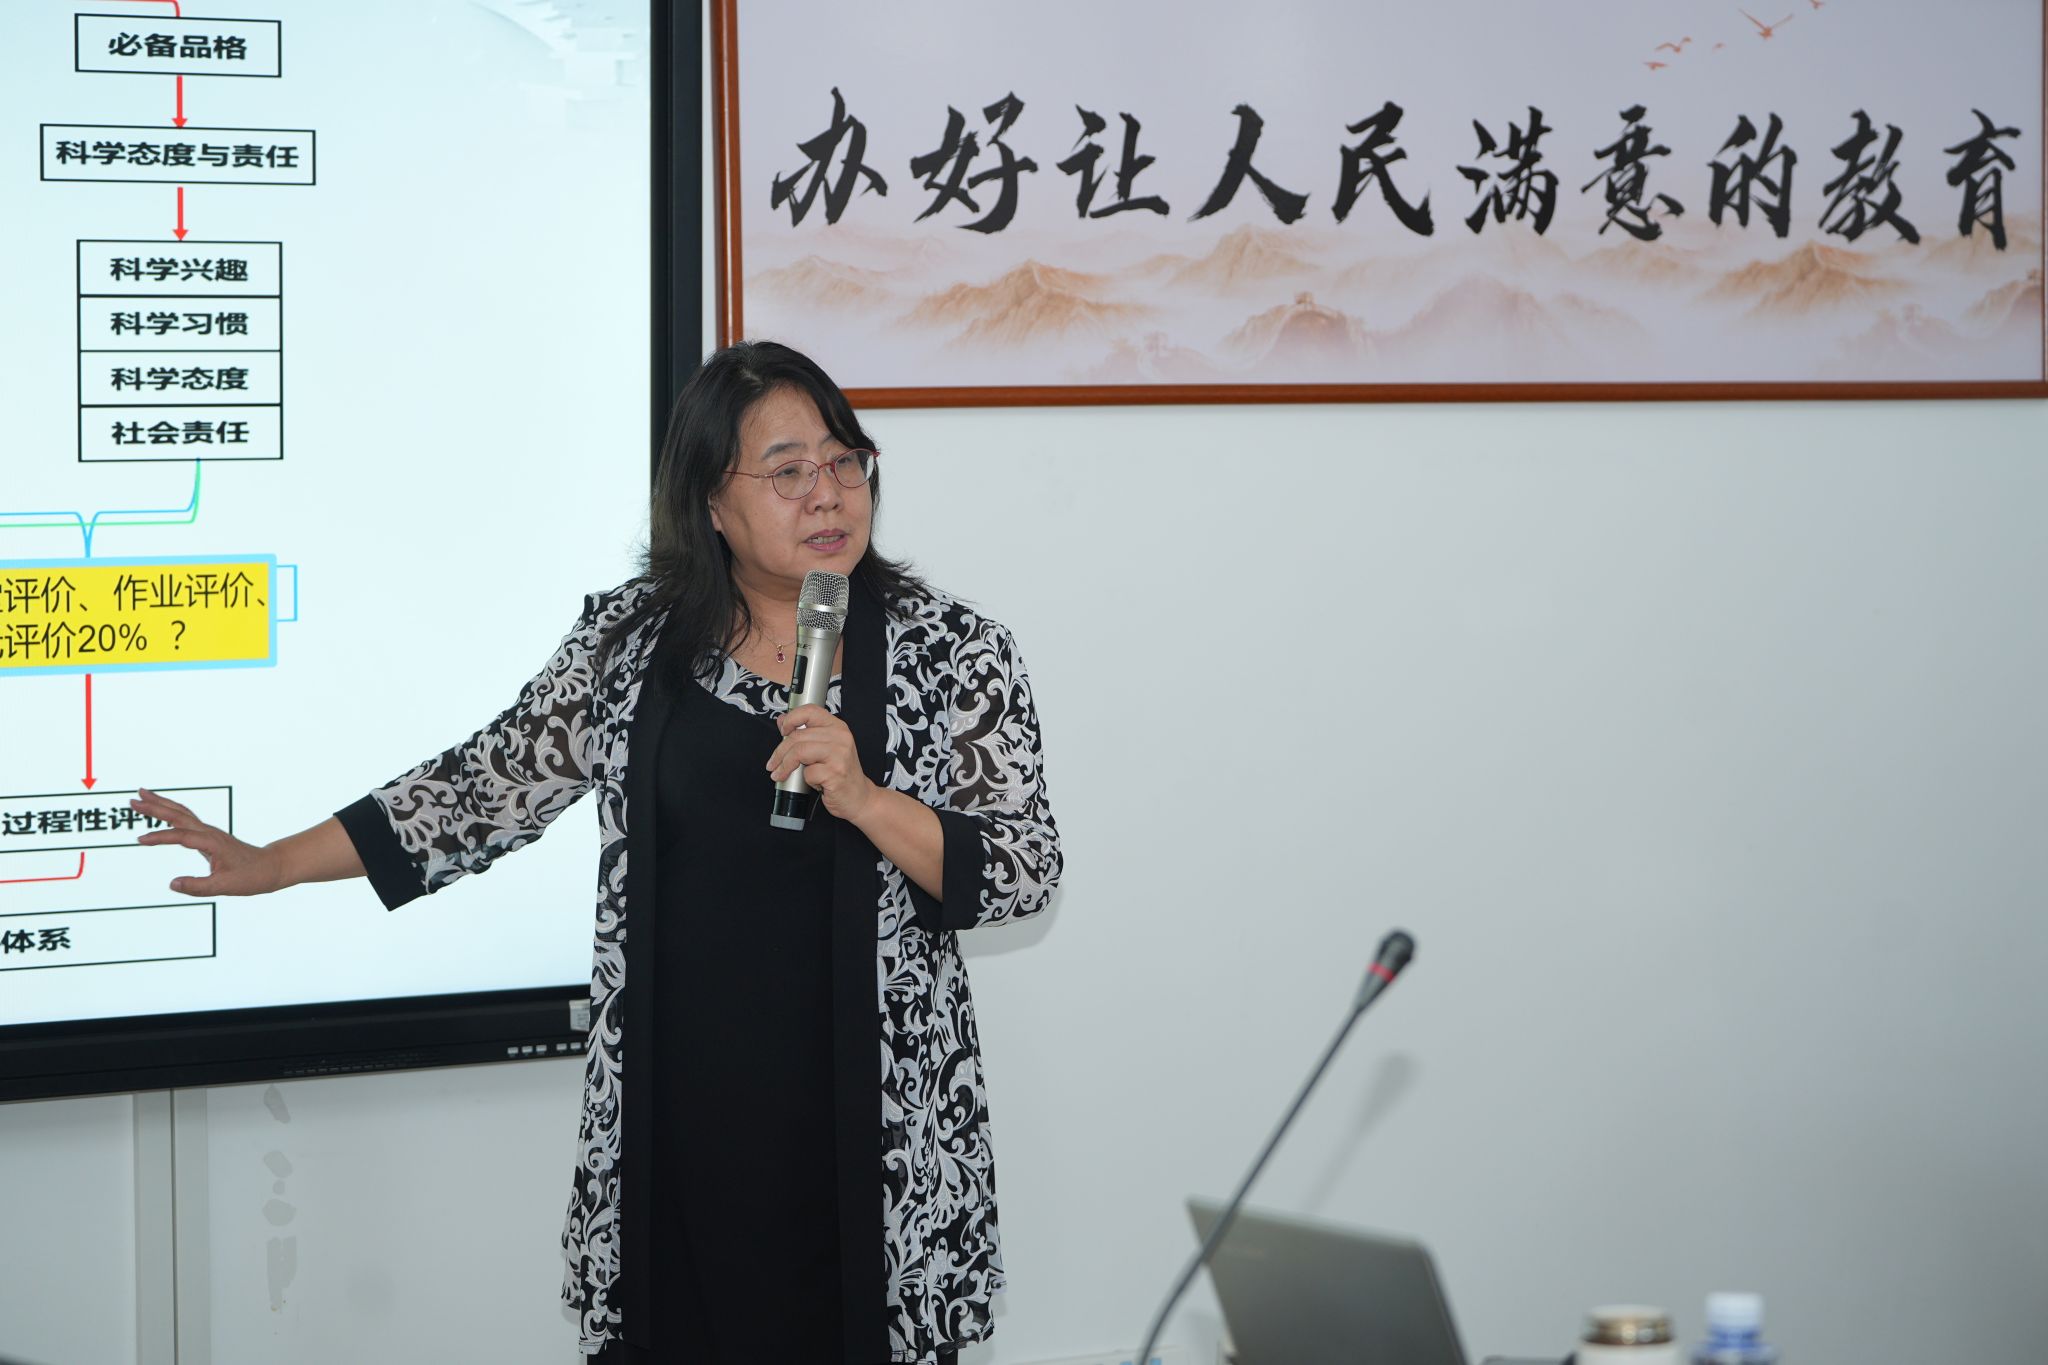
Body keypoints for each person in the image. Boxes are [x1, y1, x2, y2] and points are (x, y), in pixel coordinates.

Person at [128, 340, 1063, 1363]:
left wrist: (868, 799)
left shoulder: (952, 653)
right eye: (787, 470)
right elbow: (478, 788)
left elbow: (1020, 871)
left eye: (844, 460)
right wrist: (274, 862)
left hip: (869, 1143)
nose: (827, 493)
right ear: (710, 502)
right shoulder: (630, 643)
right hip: (675, 1130)